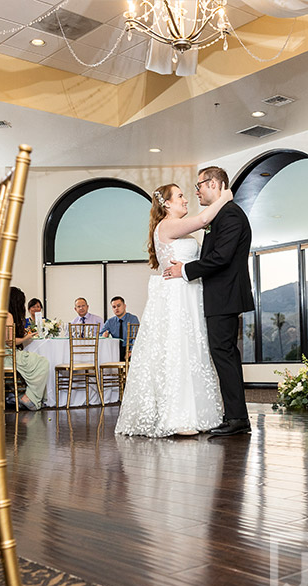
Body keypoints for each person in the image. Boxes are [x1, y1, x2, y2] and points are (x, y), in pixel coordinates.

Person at [115, 183, 233, 437]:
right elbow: (203, 218)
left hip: (190, 292)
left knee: (193, 351)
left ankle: (199, 413)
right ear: (166, 204)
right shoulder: (167, 225)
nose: (185, 199)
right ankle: (177, 416)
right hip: (177, 295)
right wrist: (224, 198)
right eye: (180, 196)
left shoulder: (181, 232)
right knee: (178, 350)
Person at [166, 167, 255, 437]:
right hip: (221, 296)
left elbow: (221, 258)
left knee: (224, 355)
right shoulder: (222, 214)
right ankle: (234, 415)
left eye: (199, 186)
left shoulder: (230, 214)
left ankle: (238, 418)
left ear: (214, 184)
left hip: (225, 296)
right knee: (223, 355)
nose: (196, 191)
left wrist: (185, 270)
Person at [3, 287, 49, 411]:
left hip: (0, 355)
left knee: (36, 359)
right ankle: (29, 397)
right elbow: (9, 341)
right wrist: (26, 338)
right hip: (7, 356)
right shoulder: (8, 315)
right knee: (42, 362)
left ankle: (24, 396)